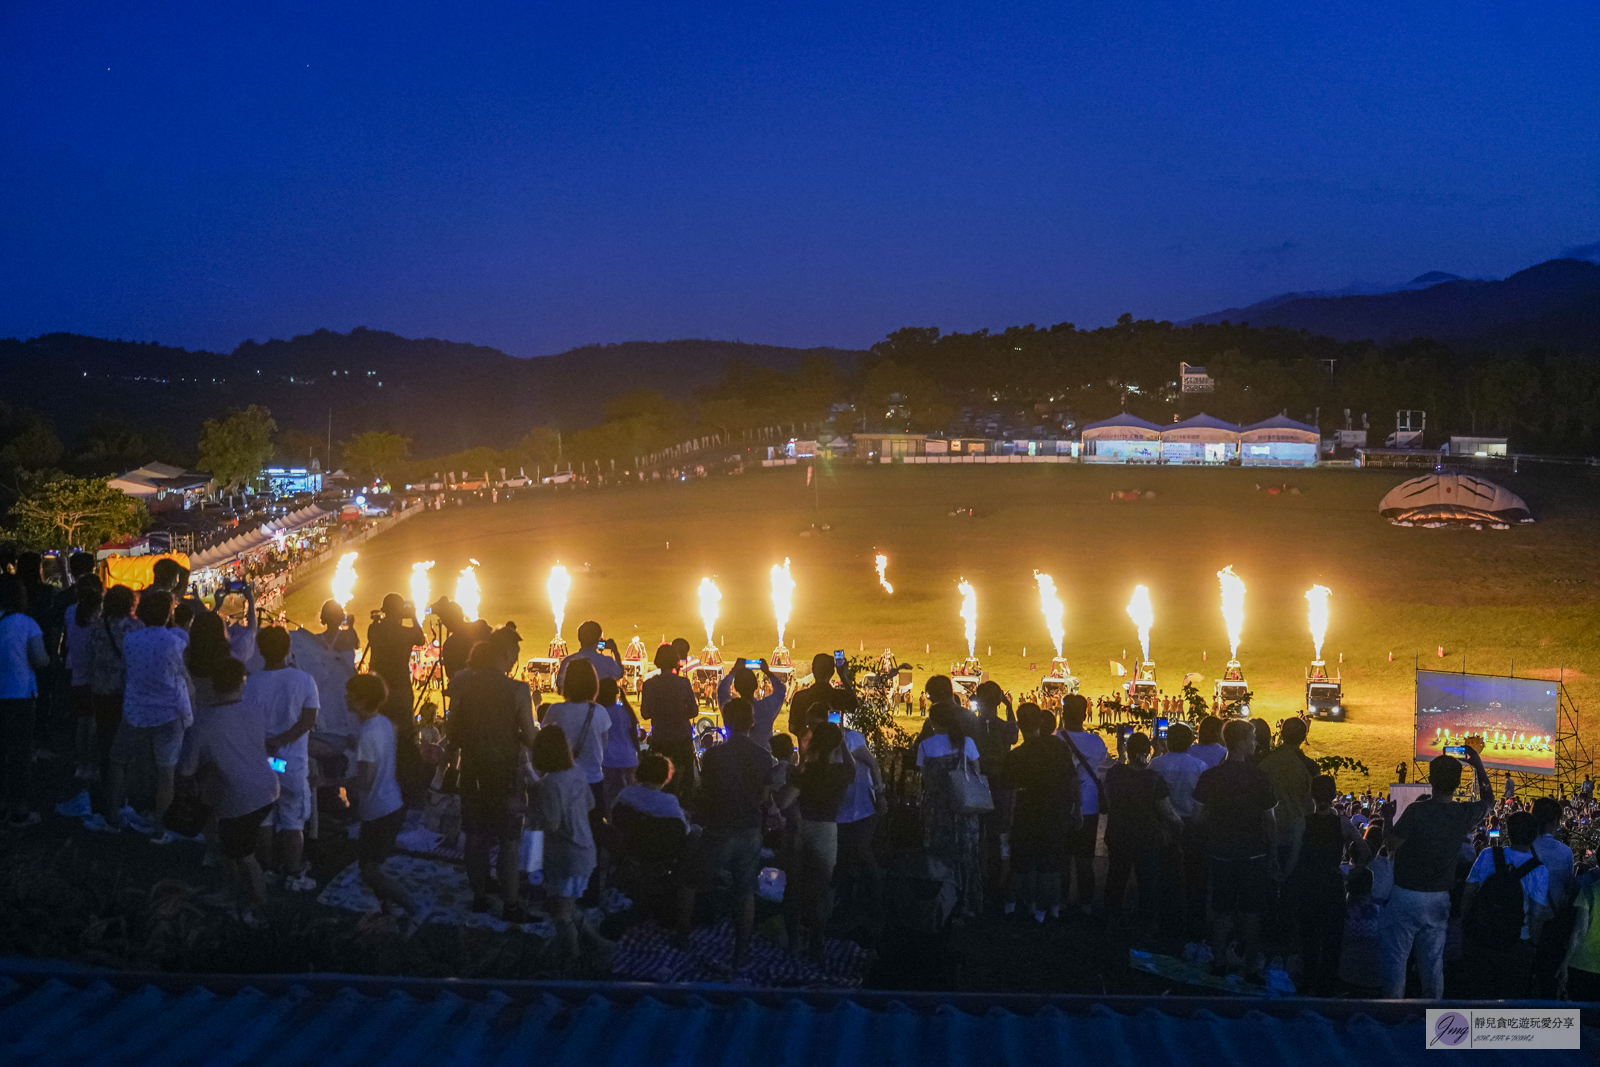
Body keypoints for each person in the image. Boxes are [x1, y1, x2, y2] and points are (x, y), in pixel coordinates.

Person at [676, 697, 783, 967]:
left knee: (689, 881)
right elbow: (764, 796)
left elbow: (707, 792)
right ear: (752, 722)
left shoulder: (713, 756)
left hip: (720, 828)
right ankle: (741, 951)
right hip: (749, 829)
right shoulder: (763, 756)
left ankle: (683, 937)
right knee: (745, 891)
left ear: (726, 722)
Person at [1379, 745, 1492, 999]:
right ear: (1456, 782)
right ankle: (1434, 1024)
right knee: (1432, 966)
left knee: (1396, 964)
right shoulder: (1462, 813)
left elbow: (1390, 845)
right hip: (1439, 898)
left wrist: (1387, 818)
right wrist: (1478, 765)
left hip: (1406, 895)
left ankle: (1391, 1023)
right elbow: (1489, 801)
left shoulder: (1417, 811)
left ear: (1430, 780)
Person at [178, 656, 279, 925]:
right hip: (267, 787)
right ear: (241, 684)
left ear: (213, 684)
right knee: (232, 847)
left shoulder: (204, 722)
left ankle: (260, 909)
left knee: (245, 856)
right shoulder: (255, 710)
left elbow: (187, 768)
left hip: (240, 798)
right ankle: (230, 892)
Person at [450, 628, 538, 918]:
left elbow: (453, 732)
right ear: (503, 654)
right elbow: (529, 734)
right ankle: (510, 904)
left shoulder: (463, 686)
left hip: (473, 771)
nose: (515, 658)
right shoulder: (517, 690)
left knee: (476, 837)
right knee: (509, 842)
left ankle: (479, 896)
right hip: (506, 774)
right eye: (513, 653)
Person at [1193, 718, 1278, 981]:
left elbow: (1198, 816)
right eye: (1252, 738)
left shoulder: (1211, 776)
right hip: (1253, 854)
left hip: (1221, 852)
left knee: (1222, 910)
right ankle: (1251, 967)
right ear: (1241, 742)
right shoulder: (1259, 777)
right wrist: (1273, 854)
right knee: (1251, 913)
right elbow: (1270, 820)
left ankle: (1219, 963)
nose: (1256, 743)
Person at [104, 590, 192, 842]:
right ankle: (160, 828)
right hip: (168, 712)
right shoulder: (176, 643)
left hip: (137, 710)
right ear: (168, 614)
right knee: (166, 771)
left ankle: (113, 816)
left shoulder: (131, 640)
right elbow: (182, 676)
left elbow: (127, 670)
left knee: (118, 760)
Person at [247, 626, 321, 892]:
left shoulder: (252, 682)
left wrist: (268, 743)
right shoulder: (304, 680)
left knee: (264, 818)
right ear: (288, 649)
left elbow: (247, 721)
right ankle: (293, 872)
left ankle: (266, 870)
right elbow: (309, 720)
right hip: (291, 764)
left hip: (262, 761)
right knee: (293, 821)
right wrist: (282, 740)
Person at [338, 673, 417, 920]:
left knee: (369, 871)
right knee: (370, 867)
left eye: (350, 694)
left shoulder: (368, 733)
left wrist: (328, 782)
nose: (346, 697)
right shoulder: (383, 723)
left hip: (379, 810)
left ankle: (410, 907)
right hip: (390, 804)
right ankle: (388, 912)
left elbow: (364, 780)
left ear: (361, 700)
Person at [530, 724, 605, 965]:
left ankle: (572, 958)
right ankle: (598, 943)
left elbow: (551, 824)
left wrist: (531, 814)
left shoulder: (550, 784)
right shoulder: (579, 772)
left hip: (565, 855)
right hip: (585, 848)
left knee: (560, 914)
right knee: (570, 907)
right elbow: (591, 805)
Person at [787, 720, 858, 959]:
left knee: (794, 889)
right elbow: (852, 767)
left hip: (801, 827)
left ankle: (794, 941)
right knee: (820, 891)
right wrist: (843, 745)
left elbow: (784, 801)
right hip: (826, 830)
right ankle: (816, 944)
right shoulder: (841, 772)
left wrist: (802, 760)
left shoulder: (808, 771)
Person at [1296, 774, 1372, 995]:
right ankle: (1327, 988)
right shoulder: (1342, 822)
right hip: (1332, 886)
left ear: (1312, 793)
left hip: (1308, 885)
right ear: (1332, 795)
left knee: (1308, 938)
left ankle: (1307, 984)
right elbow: (1366, 853)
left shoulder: (1303, 821)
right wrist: (1350, 875)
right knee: (1331, 941)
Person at [1461, 809, 1549, 998]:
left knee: (1477, 994)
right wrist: (1533, 944)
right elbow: (1537, 914)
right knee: (1511, 997)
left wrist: (1465, 922)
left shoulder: (1487, 855)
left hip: (1480, 934)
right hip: (1516, 940)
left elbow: (1469, 892)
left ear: (1508, 832)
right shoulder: (1539, 870)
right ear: (1534, 836)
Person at [1004, 704, 1079, 922]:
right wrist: (1077, 809)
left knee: (1019, 866)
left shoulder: (1016, 756)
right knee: (1051, 867)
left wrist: (1006, 823)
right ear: (1041, 722)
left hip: (1025, 815)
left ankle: (1011, 907)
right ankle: (1048, 911)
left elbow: (1008, 792)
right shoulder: (1059, 748)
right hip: (1055, 813)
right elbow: (1073, 780)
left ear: (1019, 725)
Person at [1104, 732, 1180, 937]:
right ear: (1147, 753)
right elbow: (1168, 811)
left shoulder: (1115, 774)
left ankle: (1111, 919)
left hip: (1118, 834)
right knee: (1147, 883)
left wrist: (1122, 752)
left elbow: (1110, 799)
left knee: (1116, 878)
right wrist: (1180, 825)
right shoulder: (1153, 779)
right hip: (1146, 838)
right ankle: (1147, 925)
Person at [916, 695, 984, 917]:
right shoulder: (967, 743)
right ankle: (968, 903)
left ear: (933, 722)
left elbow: (925, 778)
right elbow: (976, 772)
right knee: (966, 856)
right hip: (964, 807)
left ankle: (944, 903)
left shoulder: (926, 745)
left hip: (937, 809)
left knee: (939, 857)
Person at [85, 584, 140, 819]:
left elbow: (91, 657)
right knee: (128, 745)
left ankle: (109, 793)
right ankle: (126, 794)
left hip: (101, 692)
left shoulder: (97, 627)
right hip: (127, 692)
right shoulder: (135, 628)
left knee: (106, 741)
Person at [0, 576, 49, 828]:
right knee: (19, 754)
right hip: (19, 695)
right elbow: (39, 659)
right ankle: (19, 810)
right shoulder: (26, 623)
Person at [1056, 694, 1110, 915]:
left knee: (1062, 859)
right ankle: (1086, 905)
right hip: (1089, 806)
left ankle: (1060, 903)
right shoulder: (1096, 742)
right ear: (1085, 714)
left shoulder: (1056, 739)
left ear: (1063, 714)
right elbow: (1105, 764)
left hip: (1061, 806)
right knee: (1085, 860)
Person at [540, 658, 611, 807]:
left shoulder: (555, 711)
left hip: (561, 780)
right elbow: (603, 745)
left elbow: (544, 741)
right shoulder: (600, 712)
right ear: (593, 683)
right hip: (593, 780)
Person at [1257, 717, 1315, 886]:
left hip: (1268, 826)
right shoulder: (1307, 765)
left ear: (1281, 735)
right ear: (1304, 737)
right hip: (1296, 827)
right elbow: (1310, 801)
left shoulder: (1266, 761)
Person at [640, 644, 698, 798]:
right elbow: (694, 711)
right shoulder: (683, 683)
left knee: (659, 782)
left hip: (660, 738)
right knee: (685, 783)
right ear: (675, 661)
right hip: (682, 739)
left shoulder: (649, 684)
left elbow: (645, 713)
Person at [65, 577, 102, 783]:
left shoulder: (71, 613)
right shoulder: (96, 622)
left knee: (82, 723)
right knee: (94, 724)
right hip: (94, 677)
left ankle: (81, 764)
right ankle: (93, 765)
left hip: (76, 674)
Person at [365, 592, 424, 720]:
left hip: (377, 686)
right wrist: (413, 617)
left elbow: (375, 633)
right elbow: (420, 639)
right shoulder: (406, 633)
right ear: (401, 611)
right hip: (400, 686)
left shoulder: (374, 629)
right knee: (403, 727)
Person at [788, 652, 857, 738]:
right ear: (832, 672)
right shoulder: (839, 696)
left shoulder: (800, 697)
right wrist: (843, 677)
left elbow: (792, 727)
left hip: (809, 749)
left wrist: (809, 736)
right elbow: (855, 706)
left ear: (813, 670)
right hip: (833, 747)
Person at [716, 659, 787, 742]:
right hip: (762, 753)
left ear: (735, 687)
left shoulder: (730, 709)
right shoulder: (766, 707)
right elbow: (781, 689)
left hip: (734, 753)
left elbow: (722, 690)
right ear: (757, 685)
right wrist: (768, 672)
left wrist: (734, 671)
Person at [597, 676, 641, 812]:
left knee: (611, 798)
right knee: (631, 797)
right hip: (629, 758)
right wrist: (638, 754)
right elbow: (634, 735)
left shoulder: (600, 712)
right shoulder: (625, 711)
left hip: (608, 759)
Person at [614, 751, 689, 825]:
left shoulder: (625, 794)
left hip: (629, 834)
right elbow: (683, 829)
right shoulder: (669, 801)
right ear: (665, 776)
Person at [555, 620, 624, 692]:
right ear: (599, 639)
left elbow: (560, 688)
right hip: (600, 702)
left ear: (579, 638)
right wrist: (615, 651)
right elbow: (619, 673)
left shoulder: (567, 661)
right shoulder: (607, 661)